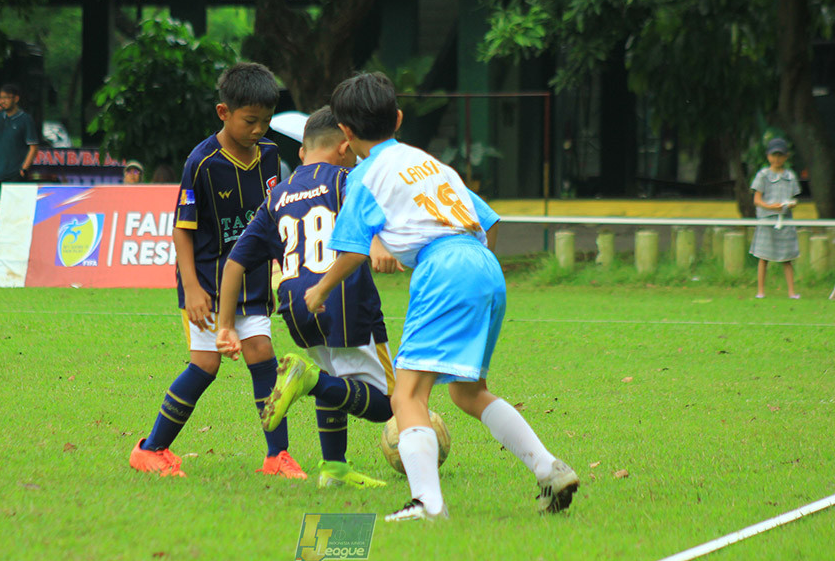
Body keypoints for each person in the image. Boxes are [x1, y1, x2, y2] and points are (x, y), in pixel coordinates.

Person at [305, 72, 579, 521]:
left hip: (445, 270)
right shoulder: (428, 163)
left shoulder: (364, 176)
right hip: (486, 266)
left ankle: (427, 504)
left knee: (407, 395)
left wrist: (319, 291)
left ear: (346, 134)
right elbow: (487, 219)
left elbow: (352, 249)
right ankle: (549, 467)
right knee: (468, 392)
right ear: (397, 117)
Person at [128, 62, 307, 479]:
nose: (258, 129)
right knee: (205, 365)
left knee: (262, 354)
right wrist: (191, 287)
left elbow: (270, 218)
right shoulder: (202, 162)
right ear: (223, 112)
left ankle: (276, 456)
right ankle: (150, 448)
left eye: (265, 121)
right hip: (208, 284)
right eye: (250, 120)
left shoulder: (270, 156)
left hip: (254, 280)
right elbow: (182, 229)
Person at [216, 106, 402, 488]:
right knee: (390, 403)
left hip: (297, 304)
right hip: (343, 297)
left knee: (334, 376)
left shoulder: (277, 196)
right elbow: (362, 208)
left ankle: (333, 468)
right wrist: (380, 243)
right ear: (345, 147)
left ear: (302, 153)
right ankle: (309, 381)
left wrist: (224, 327)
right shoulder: (344, 178)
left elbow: (234, 262)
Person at [0, 84, 39, 265]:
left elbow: (33, 147)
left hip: (13, 174)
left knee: (13, 214)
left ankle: (12, 253)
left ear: (15, 99)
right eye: (0, 97)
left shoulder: (25, 119)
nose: (2, 101)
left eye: (6, 97)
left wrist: (23, 169)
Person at [750, 138, 801, 299]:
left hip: (785, 220)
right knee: (763, 257)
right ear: (768, 156)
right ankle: (760, 292)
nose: (777, 159)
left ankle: (792, 292)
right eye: (774, 155)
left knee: (787, 258)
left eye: (780, 155)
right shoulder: (763, 175)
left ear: (786, 157)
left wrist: (790, 204)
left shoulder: (790, 175)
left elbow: (794, 198)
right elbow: (757, 200)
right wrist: (771, 207)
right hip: (767, 220)